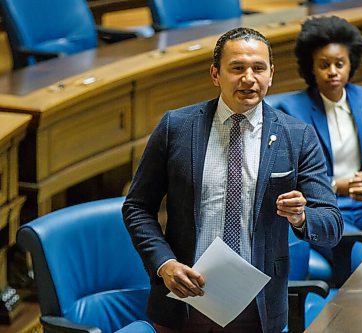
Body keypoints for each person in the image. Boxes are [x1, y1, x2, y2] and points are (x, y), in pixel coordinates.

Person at [122, 27, 343, 333]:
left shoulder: (298, 136)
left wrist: (302, 217)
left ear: (271, 74)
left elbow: (331, 224)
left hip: (257, 306)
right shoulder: (177, 127)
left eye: (258, 68)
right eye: (237, 68)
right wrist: (164, 264)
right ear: (216, 74)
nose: (249, 78)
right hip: (184, 298)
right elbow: (136, 207)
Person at [274, 16, 362, 245]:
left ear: (350, 63)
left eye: (339, 64)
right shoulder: (292, 110)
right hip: (325, 213)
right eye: (324, 65)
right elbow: (290, 179)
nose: (333, 71)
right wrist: (335, 185)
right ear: (311, 68)